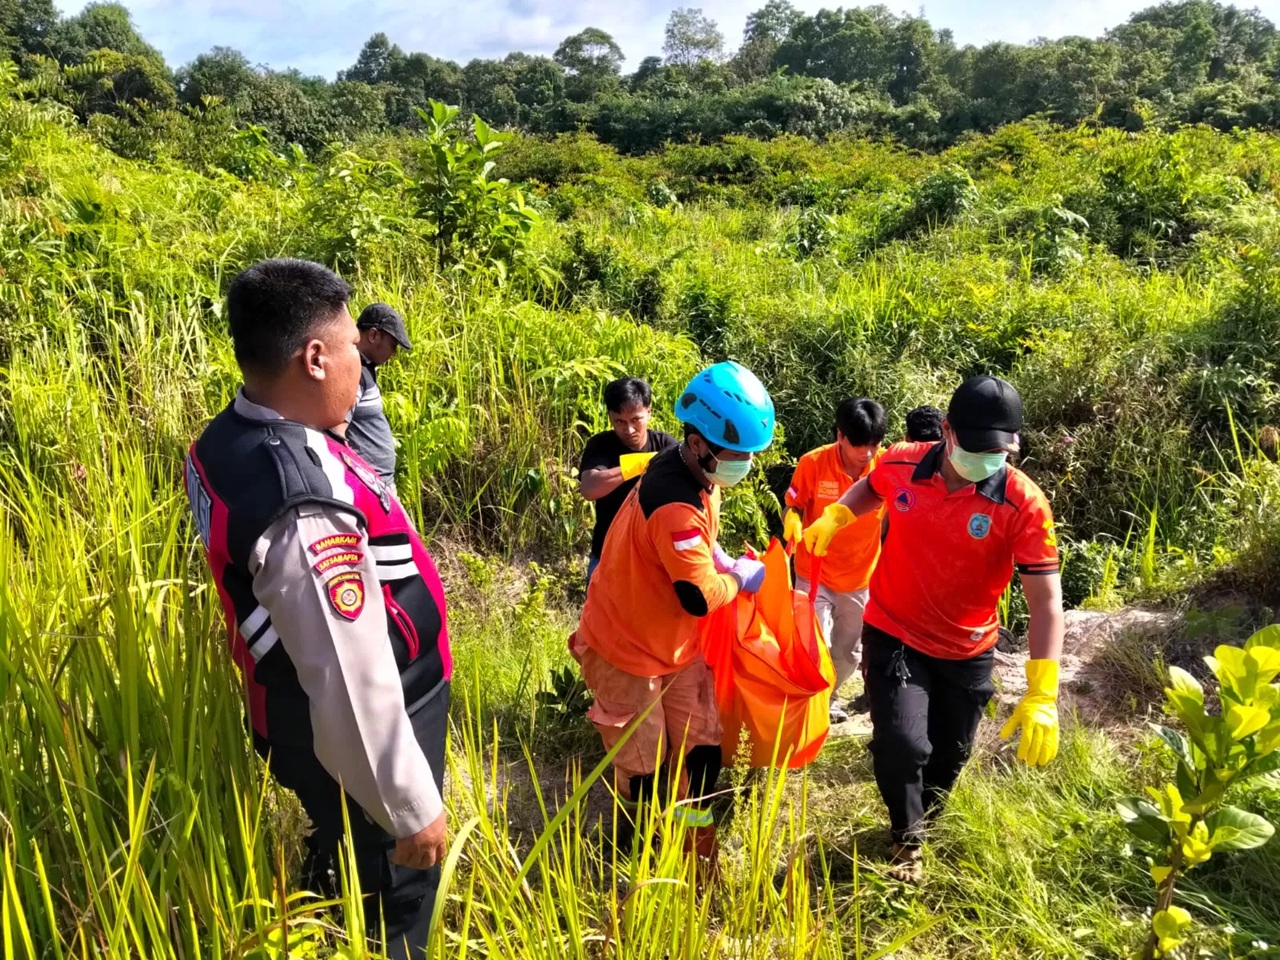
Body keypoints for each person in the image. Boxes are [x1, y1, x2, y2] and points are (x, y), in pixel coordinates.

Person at [183, 259, 452, 958]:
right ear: (313, 357)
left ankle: (329, 892)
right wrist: (411, 810)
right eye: (352, 355)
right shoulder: (302, 499)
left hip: (293, 715)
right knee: (399, 896)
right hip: (354, 731)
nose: (359, 373)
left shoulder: (233, 437)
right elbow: (349, 679)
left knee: (343, 844)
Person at [802, 375, 1063, 884]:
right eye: (977, 448)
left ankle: (927, 818)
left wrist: (1044, 690)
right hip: (895, 631)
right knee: (902, 744)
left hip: (967, 648)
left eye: (1000, 451)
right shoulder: (900, 460)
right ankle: (907, 839)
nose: (989, 460)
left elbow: (1045, 600)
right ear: (946, 431)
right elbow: (870, 488)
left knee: (951, 754)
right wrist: (835, 516)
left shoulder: (1023, 503)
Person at [571, 361, 775, 870]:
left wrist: (720, 557)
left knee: (702, 753)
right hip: (628, 649)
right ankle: (634, 864)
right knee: (648, 772)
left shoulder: (695, 472)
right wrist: (737, 578)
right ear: (700, 441)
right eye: (737, 453)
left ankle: (695, 851)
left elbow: (692, 553)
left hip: (675, 646)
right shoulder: (673, 499)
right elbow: (699, 598)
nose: (743, 463)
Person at [782, 398, 888, 724]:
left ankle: (830, 694)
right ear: (840, 436)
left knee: (848, 654)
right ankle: (806, 707)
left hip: (860, 577)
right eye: (859, 444)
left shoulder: (886, 468)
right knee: (813, 644)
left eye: (873, 444)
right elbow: (794, 505)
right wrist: (793, 520)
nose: (866, 454)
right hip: (815, 571)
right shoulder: (813, 463)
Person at [578, 377, 677, 584]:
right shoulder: (602, 445)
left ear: (649, 412)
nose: (629, 429)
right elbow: (589, 488)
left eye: (635, 420)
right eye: (620, 422)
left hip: (653, 561)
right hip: (607, 556)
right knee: (598, 616)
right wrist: (641, 464)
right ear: (610, 418)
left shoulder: (666, 445)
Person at [345, 303, 412, 484]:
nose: (394, 354)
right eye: (393, 345)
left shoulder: (365, 366)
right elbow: (337, 429)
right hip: (369, 484)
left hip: (378, 483)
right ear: (374, 335)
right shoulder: (353, 369)